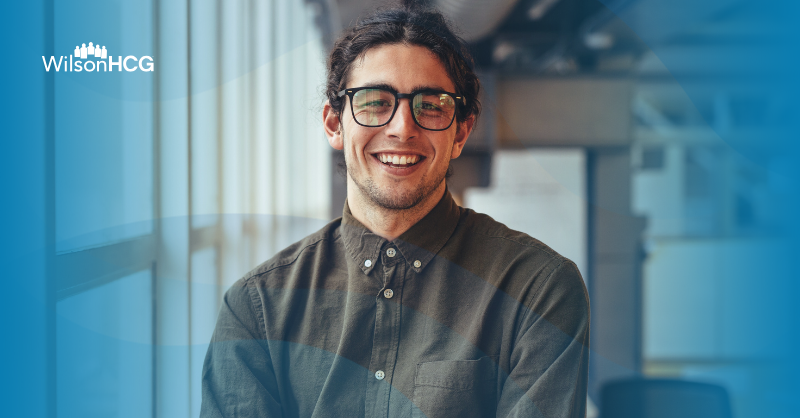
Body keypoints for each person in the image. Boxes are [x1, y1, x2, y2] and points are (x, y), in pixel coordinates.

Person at [201, 6, 589, 418]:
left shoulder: (538, 291)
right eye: (373, 102)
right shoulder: (257, 308)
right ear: (334, 124)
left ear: (461, 132)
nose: (403, 127)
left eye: (431, 105)